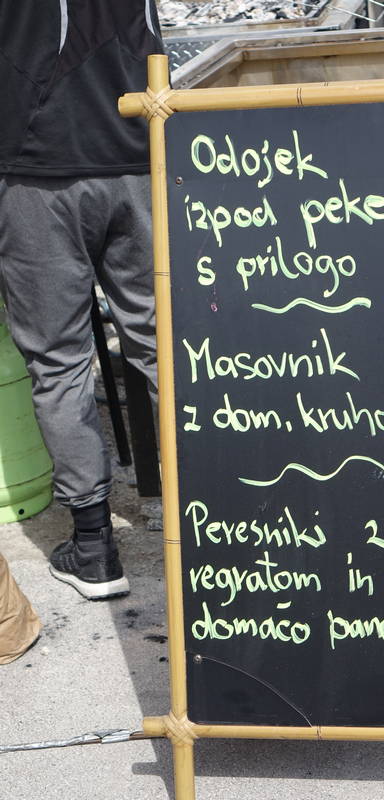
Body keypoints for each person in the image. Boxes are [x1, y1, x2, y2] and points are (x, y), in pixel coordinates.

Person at [0, 1, 164, 599]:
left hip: (37, 168)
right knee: (165, 346)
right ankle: (218, 521)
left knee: (59, 361)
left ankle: (94, 547)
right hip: (138, 151)